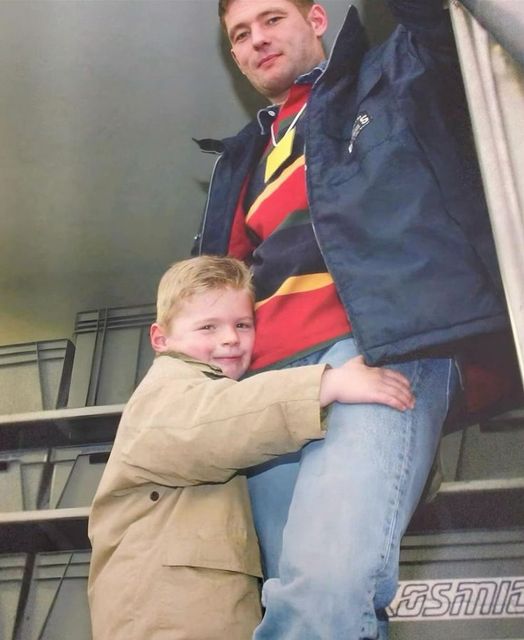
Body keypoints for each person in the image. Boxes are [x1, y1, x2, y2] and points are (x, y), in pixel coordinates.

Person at [192, 1, 516, 638]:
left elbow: (440, 28)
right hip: (267, 390)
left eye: (272, 18)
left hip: (375, 349)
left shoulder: (392, 73)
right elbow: (209, 285)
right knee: (290, 601)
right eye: (240, 34)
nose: (257, 40)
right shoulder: (244, 157)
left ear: (316, 19)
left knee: (327, 591)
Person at [87, 255, 415, 640]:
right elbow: (213, 424)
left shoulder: (224, 395)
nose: (230, 338)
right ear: (161, 339)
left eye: (242, 325)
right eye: (208, 327)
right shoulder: (164, 392)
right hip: (162, 619)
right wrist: (324, 386)